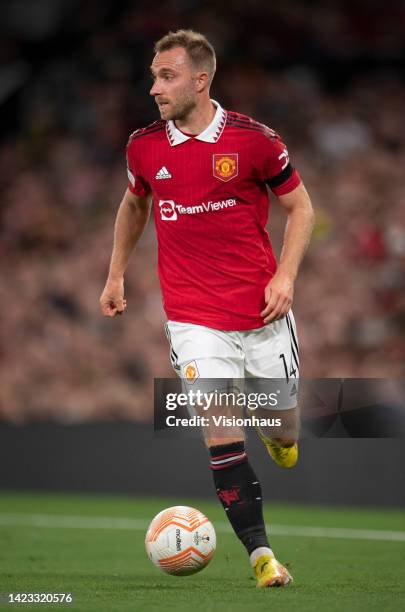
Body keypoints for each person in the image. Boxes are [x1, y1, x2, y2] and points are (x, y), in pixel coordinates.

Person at [100, 29, 314, 588]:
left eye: (166, 76)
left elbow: (301, 208)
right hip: (193, 319)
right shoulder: (143, 146)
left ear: (201, 80)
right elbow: (133, 204)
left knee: (285, 433)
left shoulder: (254, 140)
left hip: (263, 315)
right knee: (220, 431)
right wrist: (116, 272)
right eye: (152, 76)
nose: (154, 88)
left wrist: (286, 277)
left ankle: (279, 434)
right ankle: (262, 556)